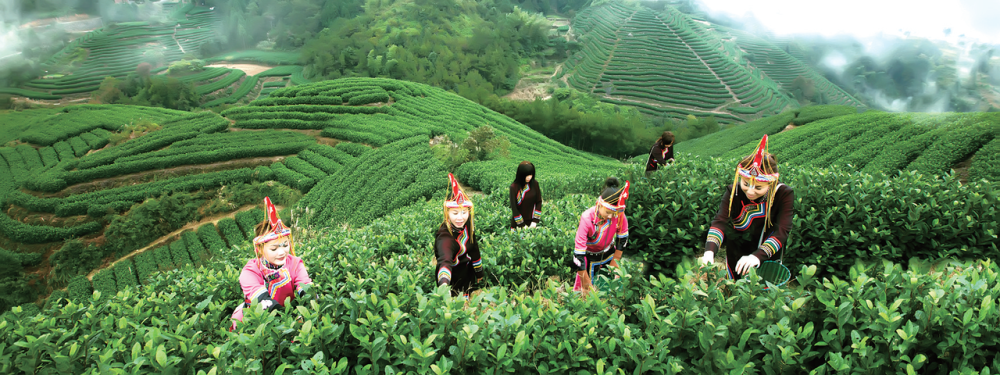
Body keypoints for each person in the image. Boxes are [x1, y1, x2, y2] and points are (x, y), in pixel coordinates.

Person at [699, 135, 794, 280]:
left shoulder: (783, 194)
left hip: (767, 252)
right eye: (745, 184)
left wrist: (757, 256)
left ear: (771, 183)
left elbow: (782, 230)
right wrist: (709, 251)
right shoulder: (733, 191)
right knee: (736, 288)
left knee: (761, 292)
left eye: (758, 187)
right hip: (738, 249)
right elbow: (721, 221)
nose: (750, 191)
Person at [230, 197, 312, 331]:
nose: (282, 252)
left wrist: (312, 302)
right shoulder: (251, 271)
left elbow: (306, 287)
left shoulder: (296, 263)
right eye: (274, 248)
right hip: (258, 319)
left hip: (288, 316)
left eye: (285, 245)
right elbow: (265, 302)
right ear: (260, 249)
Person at [570, 177, 630, 295]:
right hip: (589, 258)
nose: (610, 217)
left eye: (614, 214)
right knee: (587, 294)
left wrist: (615, 262)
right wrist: (586, 283)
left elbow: (622, 240)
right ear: (599, 204)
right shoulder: (587, 218)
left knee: (610, 291)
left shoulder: (619, 216)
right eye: (608, 212)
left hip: (609, 254)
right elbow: (579, 253)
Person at [435, 173, 485, 297]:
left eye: (464, 212)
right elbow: (444, 260)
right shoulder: (444, 237)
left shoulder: (467, 225)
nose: (460, 218)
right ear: (447, 213)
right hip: (452, 280)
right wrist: (444, 284)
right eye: (455, 213)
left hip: (467, 274)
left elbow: (474, 249)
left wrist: (479, 273)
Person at [509, 161, 542, 229]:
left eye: (531, 174)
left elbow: (539, 201)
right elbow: (514, 209)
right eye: (527, 175)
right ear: (521, 175)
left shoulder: (534, 184)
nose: (529, 177)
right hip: (517, 224)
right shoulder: (514, 187)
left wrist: (535, 221)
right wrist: (522, 225)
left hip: (532, 222)